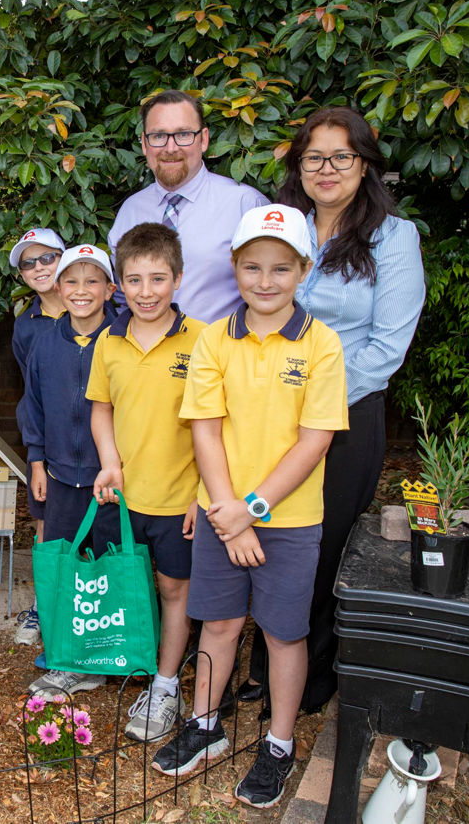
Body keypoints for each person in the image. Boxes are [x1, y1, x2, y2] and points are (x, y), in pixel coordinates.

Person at [156, 205, 348, 809]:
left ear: (303, 270)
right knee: (217, 623)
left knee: (283, 634)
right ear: (235, 269)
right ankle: (206, 724)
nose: (265, 282)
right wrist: (226, 509)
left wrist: (252, 508)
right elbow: (205, 431)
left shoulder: (322, 345)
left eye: (281, 268)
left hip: (287, 521)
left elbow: (315, 440)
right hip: (221, 513)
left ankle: (279, 746)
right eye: (252, 268)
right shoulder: (214, 339)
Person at [237, 106, 426, 715]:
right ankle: (264, 666)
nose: (327, 169)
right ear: (298, 164)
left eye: (342, 157)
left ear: (365, 164)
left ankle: (312, 677)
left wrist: (311, 400)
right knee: (264, 532)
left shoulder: (393, 238)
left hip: (343, 421)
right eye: (314, 156)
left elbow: (384, 349)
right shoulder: (278, 229)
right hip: (266, 417)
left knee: (319, 547)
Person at [63, 223, 205, 742]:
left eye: (158, 279)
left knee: (174, 590)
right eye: (135, 280)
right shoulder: (109, 341)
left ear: (178, 279)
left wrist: (202, 495)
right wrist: (110, 462)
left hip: (177, 498)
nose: (147, 292)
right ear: (119, 285)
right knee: (124, 585)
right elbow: (100, 410)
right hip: (119, 498)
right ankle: (118, 661)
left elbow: (218, 428)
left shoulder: (205, 339)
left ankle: (166, 686)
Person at [17, 244, 117, 669]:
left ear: (110, 289)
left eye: (92, 280)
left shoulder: (122, 341)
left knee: (109, 564)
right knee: (60, 561)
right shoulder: (44, 343)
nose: (81, 290)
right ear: (58, 287)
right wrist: (37, 461)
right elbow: (33, 405)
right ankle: (61, 647)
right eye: (72, 281)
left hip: (108, 477)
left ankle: (109, 648)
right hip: (58, 473)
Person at [107, 90, 268, 324]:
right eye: (159, 136)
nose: (171, 148)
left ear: (203, 139)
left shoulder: (245, 205)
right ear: (144, 143)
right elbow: (123, 298)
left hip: (222, 357)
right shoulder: (130, 211)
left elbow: (272, 291)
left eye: (183, 134)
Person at [7, 227, 65, 646]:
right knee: (45, 525)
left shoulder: (104, 310)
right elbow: (32, 393)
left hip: (101, 442)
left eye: (48, 257)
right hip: (48, 442)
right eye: (29, 262)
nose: (39, 267)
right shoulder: (25, 326)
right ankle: (44, 606)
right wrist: (37, 454)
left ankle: (86, 604)